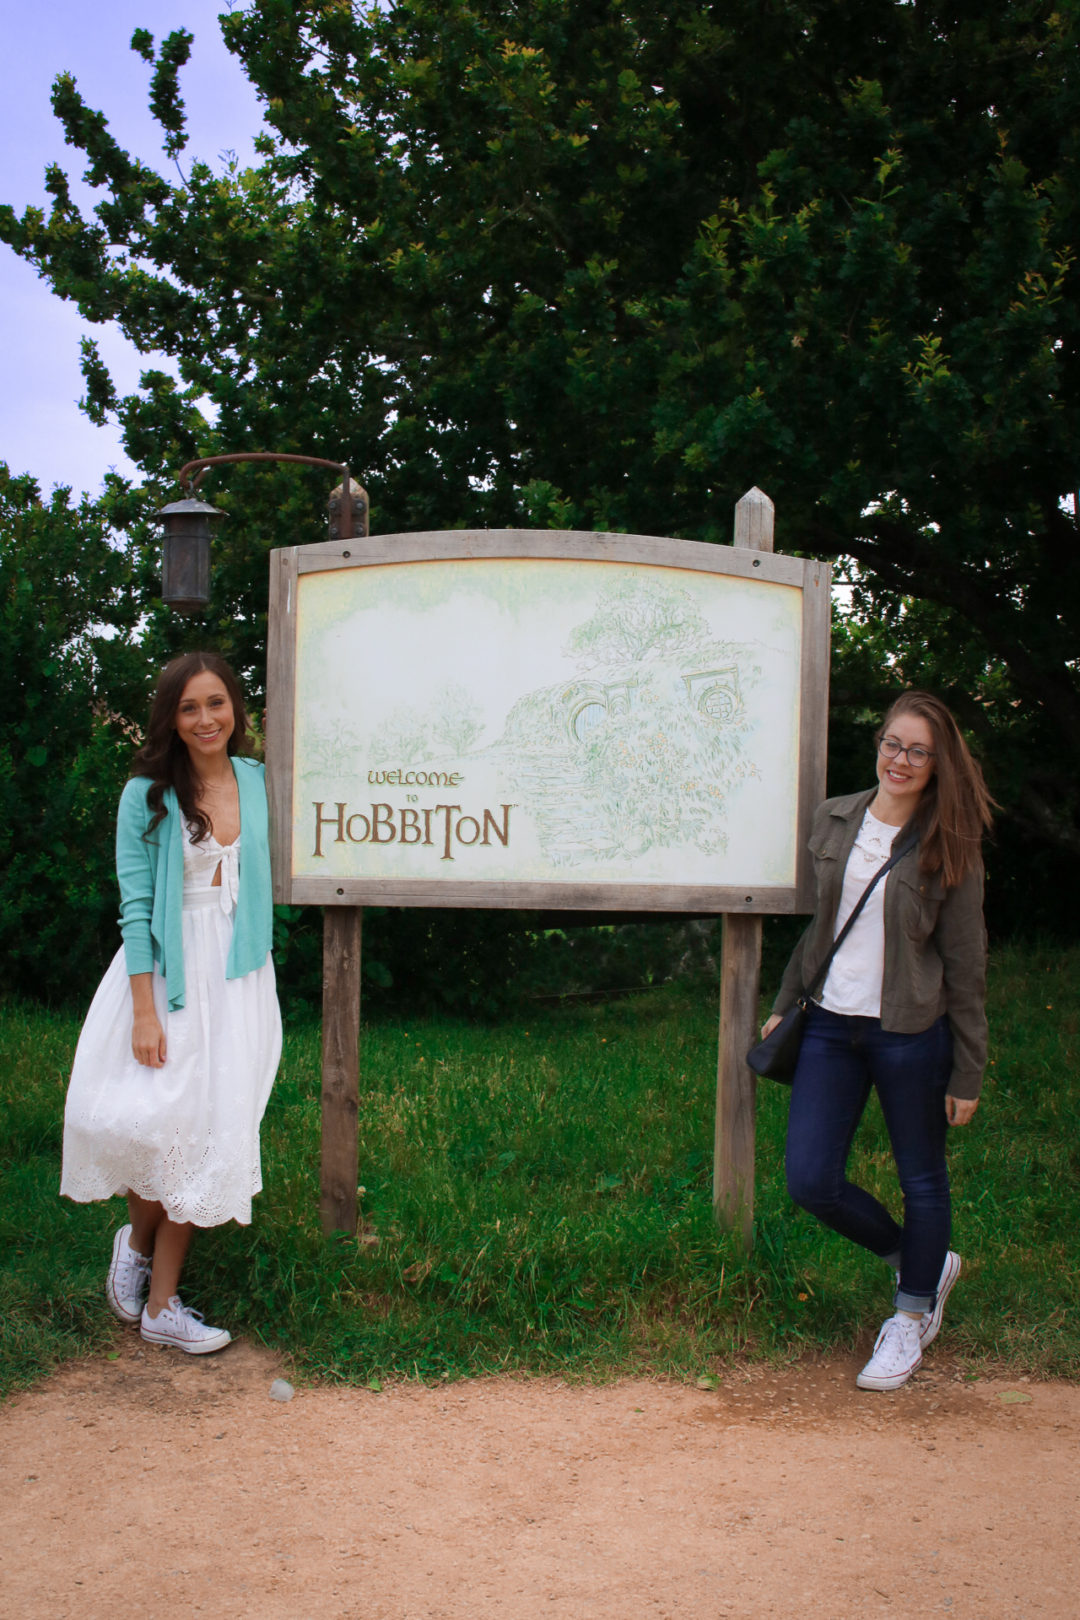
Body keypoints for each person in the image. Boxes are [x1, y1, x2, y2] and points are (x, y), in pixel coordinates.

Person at [761, 691, 993, 1391]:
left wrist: (969, 1071)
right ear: (879, 745)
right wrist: (783, 1005)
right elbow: (823, 926)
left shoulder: (949, 841)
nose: (902, 759)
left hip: (909, 1032)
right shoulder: (836, 818)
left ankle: (911, 1315)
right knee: (811, 1180)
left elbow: (967, 963)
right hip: (830, 1025)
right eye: (894, 743)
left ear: (938, 761)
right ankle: (919, 1258)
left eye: (918, 750)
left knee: (922, 1178)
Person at [61, 651, 281, 1353]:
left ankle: (162, 1306)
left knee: (211, 1127)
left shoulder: (257, 780)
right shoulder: (147, 795)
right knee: (165, 1127)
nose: (206, 718)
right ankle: (137, 1240)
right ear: (171, 719)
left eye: (215, 703)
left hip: (239, 974)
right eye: (189, 707)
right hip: (168, 974)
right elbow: (134, 906)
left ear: (235, 709)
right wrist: (145, 1011)